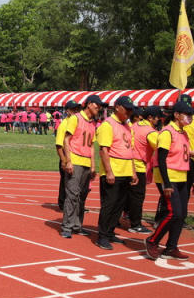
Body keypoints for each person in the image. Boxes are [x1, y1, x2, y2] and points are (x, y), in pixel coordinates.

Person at [144, 101, 194, 259]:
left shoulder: (183, 133)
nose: (190, 118)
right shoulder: (167, 132)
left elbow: (184, 158)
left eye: (192, 115)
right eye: (187, 114)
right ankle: (152, 240)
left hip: (182, 176)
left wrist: (193, 179)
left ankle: (171, 247)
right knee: (173, 212)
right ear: (177, 115)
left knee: (182, 213)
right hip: (168, 177)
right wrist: (167, 183)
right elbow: (161, 159)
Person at [95, 96, 137, 250]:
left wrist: (133, 172)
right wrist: (109, 172)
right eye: (127, 109)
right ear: (117, 107)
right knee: (109, 204)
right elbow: (103, 150)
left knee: (119, 205)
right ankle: (102, 236)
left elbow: (129, 150)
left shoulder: (127, 126)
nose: (129, 112)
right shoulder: (108, 125)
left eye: (131, 110)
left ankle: (111, 232)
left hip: (125, 171)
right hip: (113, 171)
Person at [60, 95, 102, 238]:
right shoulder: (75, 118)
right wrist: (69, 161)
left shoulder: (92, 123)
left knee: (82, 197)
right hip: (76, 161)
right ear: (89, 104)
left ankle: (77, 225)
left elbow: (91, 146)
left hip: (86, 163)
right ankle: (67, 226)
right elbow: (66, 140)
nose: (99, 108)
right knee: (72, 194)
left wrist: (93, 166)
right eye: (97, 105)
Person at [126, 105, 162, 233]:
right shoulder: (150, 131)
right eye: (158, 118)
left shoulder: (133, 126)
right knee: (138, 196)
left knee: (127, 195)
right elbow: (161, 146)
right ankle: (135, 224)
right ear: (150, 117)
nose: (159, 120)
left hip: (127, 164)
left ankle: (126, 217)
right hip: (139, 166)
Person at [55, 100, 80, 211]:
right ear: (68, 111)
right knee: (66, 182)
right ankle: (62, 204)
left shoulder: (77, 121)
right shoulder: (64, 124)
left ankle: (74, 204)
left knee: (73, 183)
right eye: (73, 109)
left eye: (77, 109)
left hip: (75, 156)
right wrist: (64, 160)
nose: (76, 111)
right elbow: (59, 145)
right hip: (66, 156)